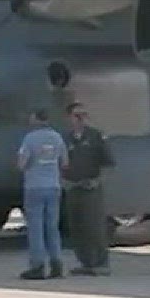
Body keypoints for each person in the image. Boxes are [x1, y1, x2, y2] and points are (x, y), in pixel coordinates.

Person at [63, 102, 116, 275]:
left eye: (84, 115)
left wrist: (98, 181)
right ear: (69, 118)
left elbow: (109, 164)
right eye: (77, 115)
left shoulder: (96, 136)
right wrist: (62, 181)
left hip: (91, 188)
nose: (81, 119)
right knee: (76, 226)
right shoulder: (66, 138)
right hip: (73, 187)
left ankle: (101, 263)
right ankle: (86, 262)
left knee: (94, 226)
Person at [16, 108, 68, 280]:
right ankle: (57, 264)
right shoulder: (57, 137)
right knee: (52, 227)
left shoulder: (30, 139)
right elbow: (65, 162)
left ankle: (38, 265)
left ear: (36, 119)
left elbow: (22, 164)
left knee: (36, 227)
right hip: (53, 186)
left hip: (34, 187)